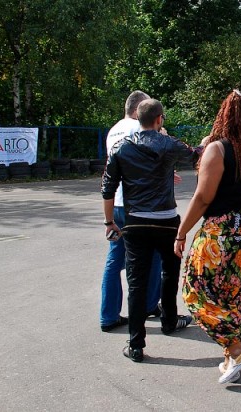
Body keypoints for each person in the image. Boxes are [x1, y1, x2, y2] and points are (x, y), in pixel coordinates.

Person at [174, 89, 241, 384]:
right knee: (233, 294)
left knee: (195, 291)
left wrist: (182, 232)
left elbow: (203, 197)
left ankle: (236, 348)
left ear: (223, 115)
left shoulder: (217, 149)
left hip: (223, 231)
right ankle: (231, 359)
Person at [102, 98, 200, 362]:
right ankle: (169, 320)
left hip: (135, 222)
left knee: (136, 282)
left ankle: (136, 344)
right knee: (170, 272)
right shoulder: (169, 144)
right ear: (159, 120)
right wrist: (210, 140)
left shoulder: (121, 147)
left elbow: (108, 188)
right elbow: (196, 156)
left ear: (137, 118)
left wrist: (110, 222)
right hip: (167, 220)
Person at [100, 90, 163, 332]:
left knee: (114, 261)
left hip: (117, 203)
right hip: (138, 204)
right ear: (139, 110)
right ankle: (149, 304)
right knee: (156, 253)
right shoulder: (138, 129)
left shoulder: (113, 130)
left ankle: (108, 315)